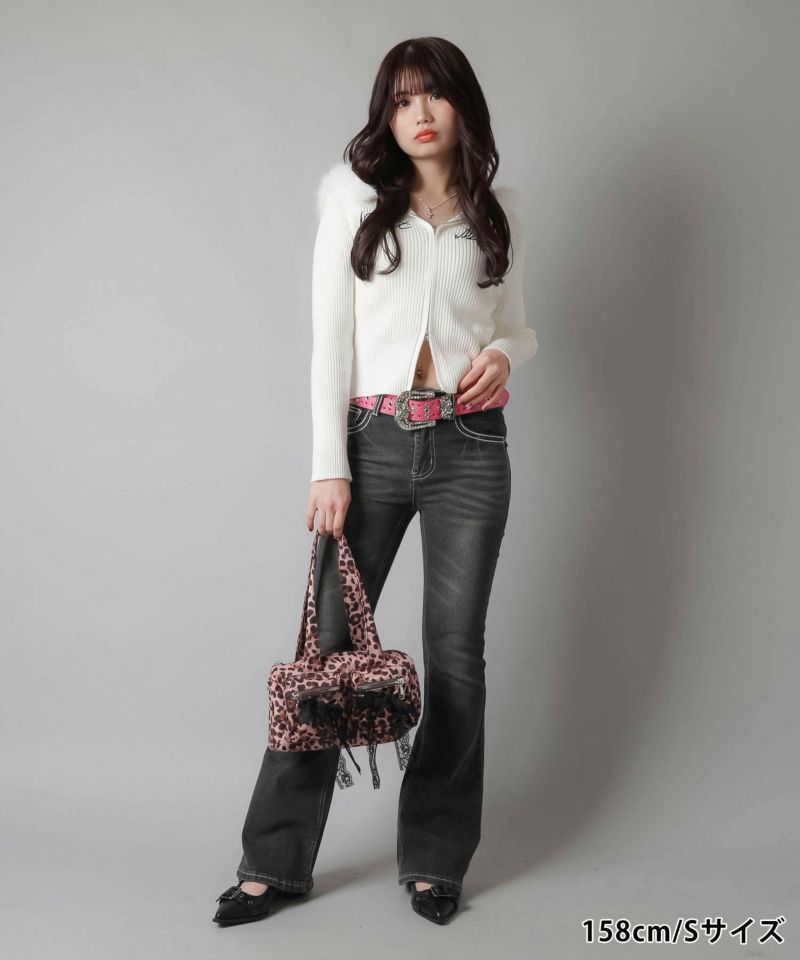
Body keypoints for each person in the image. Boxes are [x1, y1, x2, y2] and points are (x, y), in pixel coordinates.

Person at [214, 35, 538, 928]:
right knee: (325, 655)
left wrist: (505, 355)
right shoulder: (354, 202)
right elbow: (332, 341)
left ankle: (435, 859)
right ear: (385, 116)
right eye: (400, 100)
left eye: (433, 95)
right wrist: (330, 464)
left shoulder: (498, 211)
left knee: (456, 657)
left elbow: (519, 325)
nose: (418, 114)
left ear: (463, 104)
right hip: (373, 445)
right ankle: (273, 862)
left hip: (471, 445)